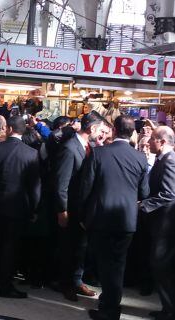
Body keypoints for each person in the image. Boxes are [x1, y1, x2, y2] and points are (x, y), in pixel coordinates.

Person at [80, 115, 149, 320]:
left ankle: (108, 310)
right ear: (132, 133)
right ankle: (110, 307)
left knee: (104, 264)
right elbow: (144, 192)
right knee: (118, 265)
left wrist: (82, 214)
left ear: (114, 131)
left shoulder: (99, 153)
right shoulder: (140, 158)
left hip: (101, 217)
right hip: (127, 219)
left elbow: (86, 187)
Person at [0, 116, 40, 298]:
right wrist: (34, 209)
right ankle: (5, 285)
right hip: (18, 207)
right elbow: (35, 186)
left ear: (9, 129)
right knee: (11, 247)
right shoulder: (31, 154)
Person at [54, 111, 106, 302]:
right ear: (91, 128)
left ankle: (76, 280)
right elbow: (61, 183)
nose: (101, 133)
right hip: (71, 208)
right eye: (100, 129)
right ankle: (66, 283)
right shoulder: (69, 148)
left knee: (81, 247)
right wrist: (62, 210)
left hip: (84, 209)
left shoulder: (90, 146)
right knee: (68, 248)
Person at [140, 126, 175, 320]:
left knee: (161, 266)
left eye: (152, 139)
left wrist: (143, 205)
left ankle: (170, 311)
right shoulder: (164, 159)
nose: (148, 142)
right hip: (161, 223)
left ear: (161, 142)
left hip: (166, 225)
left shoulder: (170, 161)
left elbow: (169, 194)